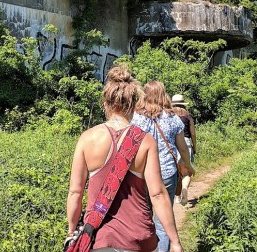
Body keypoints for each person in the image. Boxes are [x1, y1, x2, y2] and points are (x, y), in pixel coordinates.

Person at [66, 66, 184, 252]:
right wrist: (174, 241)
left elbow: (75, 192)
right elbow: (157, 194)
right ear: (134, 105)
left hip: (99, 239)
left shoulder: (87, 138)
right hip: (138, 238)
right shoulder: (145, 141)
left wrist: (72, 231)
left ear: (105, 104)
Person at [132, 81, 195, 252]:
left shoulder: (136, 118)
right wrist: (188, 166)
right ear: (163, 94)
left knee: (144, 218)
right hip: (166, 174)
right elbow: (182, 148)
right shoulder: (172, 117)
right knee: (164, 220)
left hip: (142, 175)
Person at [171, 94, 197, 206]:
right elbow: (193, 133)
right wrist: (195, 146)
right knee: (187, 172)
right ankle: (184, 190)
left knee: (176, 172)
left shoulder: (170, 116)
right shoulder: (187, 116)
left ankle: (176, 197)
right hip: (186, 143)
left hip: (173, 144)